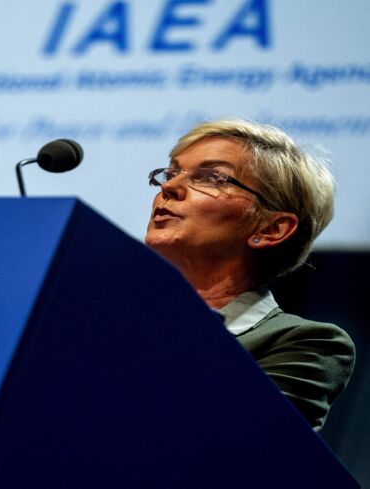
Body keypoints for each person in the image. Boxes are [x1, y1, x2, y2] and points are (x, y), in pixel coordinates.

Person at [144, 119, 355, 431]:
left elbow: (237, 446)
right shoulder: (107, 311)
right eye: (173, 172)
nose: (169, 187)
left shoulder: (304, 343)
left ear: (270, 229)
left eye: (213, 178)